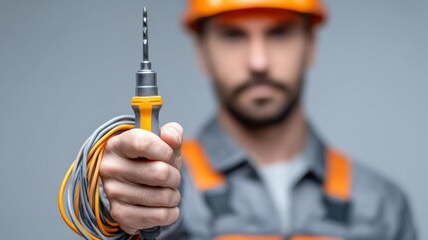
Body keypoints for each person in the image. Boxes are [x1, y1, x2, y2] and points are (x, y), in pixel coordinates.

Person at [99, 0, 417, 239]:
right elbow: (127, 211)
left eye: (279, 33)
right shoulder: (166, 192)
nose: (258, 62)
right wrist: (117, 210)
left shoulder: (381, 204)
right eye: (233, 35)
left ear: (311, 45)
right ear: (201, 51)